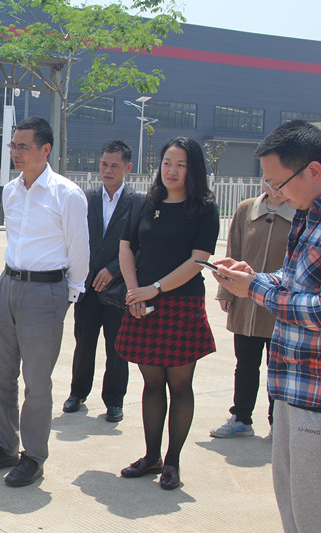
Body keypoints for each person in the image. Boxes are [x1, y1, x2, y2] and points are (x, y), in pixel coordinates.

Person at [0, 117, 89, 487]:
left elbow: (79, 251)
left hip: (45, 291)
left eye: (23, 146)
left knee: (36, 382)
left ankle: (33, 456)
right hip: (9, 285)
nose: (15, 152)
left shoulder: (66, 194)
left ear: (45, 149)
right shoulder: (11, 191)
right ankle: (3, 445)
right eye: (13, 145)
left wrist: (68, 296)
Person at [214, 120, 321, 532]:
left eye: (279, 182)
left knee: (311, 509)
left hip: (314, 393)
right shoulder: (307, 215)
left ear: (313, 171)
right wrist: (254, 277)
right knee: (293, 501)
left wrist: (256, 289)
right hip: (291, 387)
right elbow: (295, 282)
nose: (274, 191)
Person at [115, 137, 218, 490]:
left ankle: (172, 462)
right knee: (152, 383)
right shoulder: (146, 203)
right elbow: (126, 248)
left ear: (194, 169)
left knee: (180, 385)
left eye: (181, 164)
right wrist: (134, 291)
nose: (171, 171)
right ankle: (151, 456)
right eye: (167, 163)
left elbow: (198, 261)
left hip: (181, 306)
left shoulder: (204, 208)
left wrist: (155, 288)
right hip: (142, 304)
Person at [63, 140, 140, 423]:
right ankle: (77, 393)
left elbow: (140, 245)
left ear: (127, 167)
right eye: (104, 164)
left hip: (118, 287)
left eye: (115, 165)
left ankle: (114, 401)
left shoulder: (138, 202)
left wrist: (113, 269)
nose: (108, 170)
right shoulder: (87, 198)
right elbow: (75, 237)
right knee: (84, 342)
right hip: (87, 286)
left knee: (117, 347)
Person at [210, 183, 293, 438]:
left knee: (278, 369)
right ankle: (241, 418)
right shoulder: (246, 209)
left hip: (280, 304)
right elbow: (233, 251)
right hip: (246, 302)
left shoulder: (300, 213)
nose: (274, 185)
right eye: (269, 178)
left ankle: (277, 424)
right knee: (245, 364)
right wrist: (226, 292)